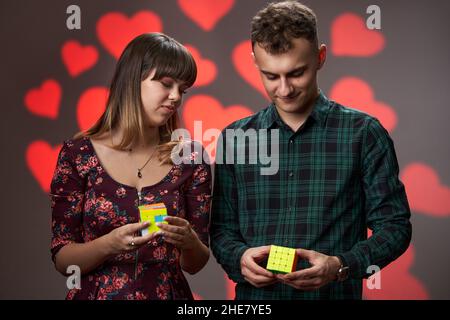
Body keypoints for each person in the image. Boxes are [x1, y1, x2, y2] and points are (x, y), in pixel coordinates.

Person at [210, 1, 412, 299]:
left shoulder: (364, 134)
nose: (284, 89)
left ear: (320, 57)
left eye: (296, 73)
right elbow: (221, 231)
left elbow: (395, 227)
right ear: (254, 62)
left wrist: (340, 265)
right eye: (270, 76)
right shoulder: (235, 138)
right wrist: (239, 258)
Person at [50, 33, 212, 300]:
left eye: (183, 90)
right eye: (166, 84)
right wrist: (109, 244)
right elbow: (63, 259)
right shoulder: (77, 155)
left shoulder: (191, 159)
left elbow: (194, 264)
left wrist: (190, 241)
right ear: (132, 81)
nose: (176, 97)